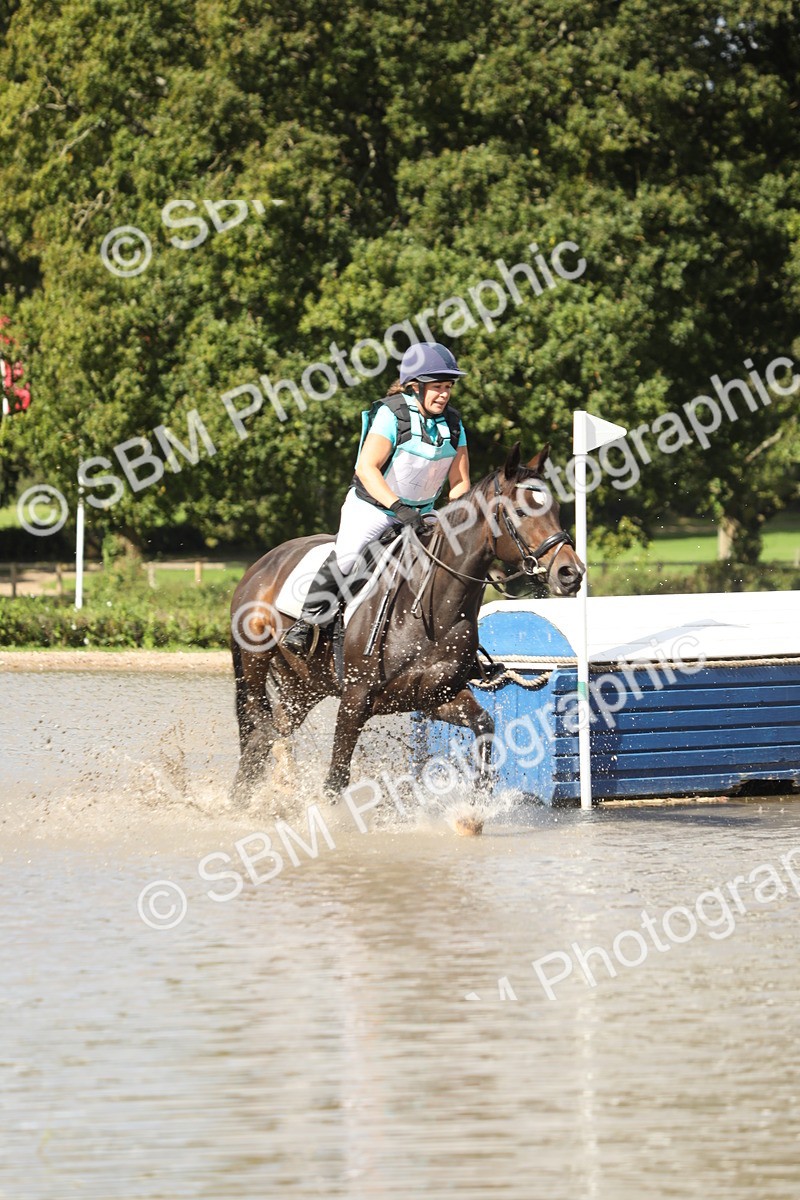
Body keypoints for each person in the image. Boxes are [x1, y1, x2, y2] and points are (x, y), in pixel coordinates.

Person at [282, 341, 471, 656]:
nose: (444, 394)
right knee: (347, 555)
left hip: (423, 513)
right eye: (437, 386)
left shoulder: (453, 423)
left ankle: (459, 643)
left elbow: (460, 481)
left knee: (459, 559)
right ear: (415, 387)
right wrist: (398, 508)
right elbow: (366, 468)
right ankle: (307, 621)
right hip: (374, 507)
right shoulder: (391, 413)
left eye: (448, 386)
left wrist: (457, 518)